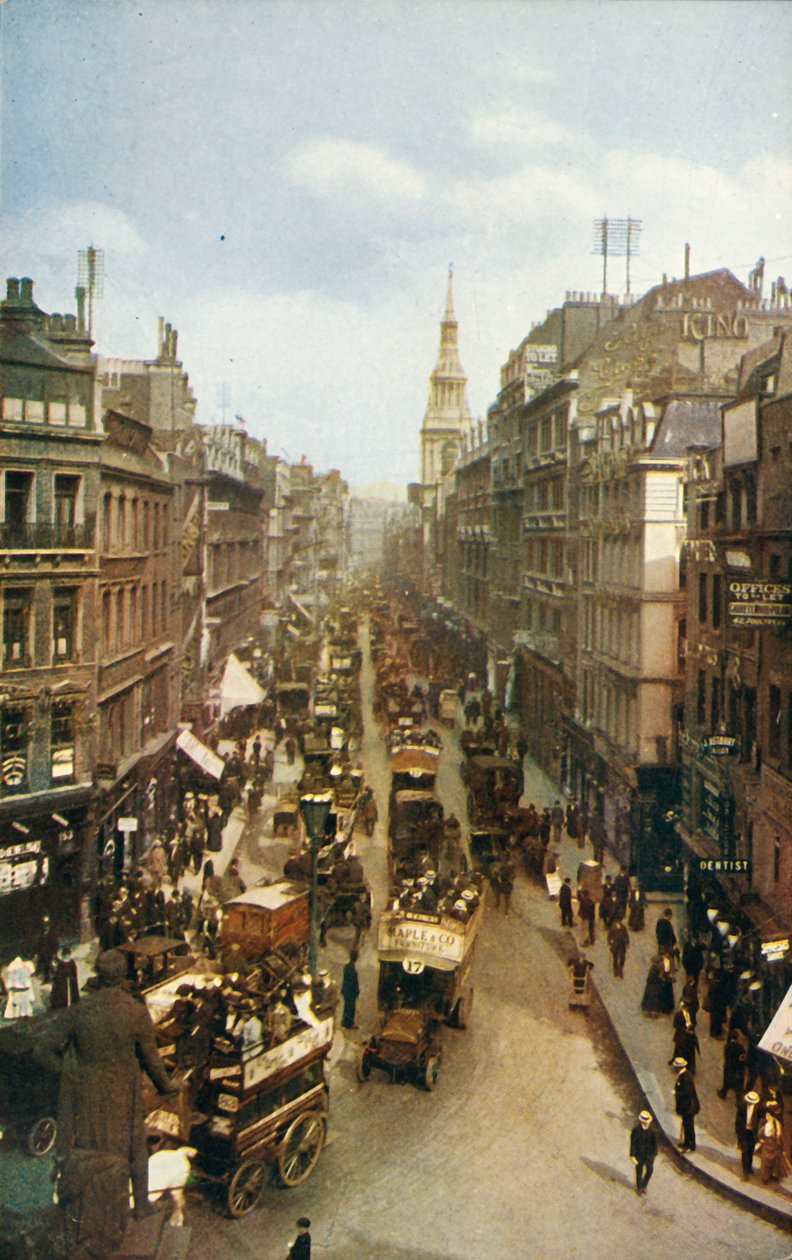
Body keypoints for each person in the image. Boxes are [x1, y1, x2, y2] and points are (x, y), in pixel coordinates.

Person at [36, 949, 178, 1224]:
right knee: (136, 1146)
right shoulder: (135, 1012)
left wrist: (72, 1072)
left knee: (89, 1149)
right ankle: (141, 1205)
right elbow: (152, 1059)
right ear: (123, 975)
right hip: (125, 1093)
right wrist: (167, 1087)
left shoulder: (78, 1010)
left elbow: (42, 1051)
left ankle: (80, 1204)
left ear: (98, 975)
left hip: (85, 1096)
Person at [757, 1100, 791, 1184]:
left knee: (774, 1162)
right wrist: (761, 1140)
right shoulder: (765, 1121)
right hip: (767, 1145)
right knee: (766, 1162)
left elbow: (780, 1135)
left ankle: (771, 1175)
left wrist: (781, 1145)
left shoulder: (777, 1123)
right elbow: (761, 1132)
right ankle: (765, 1177)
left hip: (775, 1145)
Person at [673, 1057, 700, 1152]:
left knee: (689, 1126)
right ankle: (687, 1142)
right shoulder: (685, 1075)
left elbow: (688, 1093)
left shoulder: (685, 1077)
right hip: (687, 1106)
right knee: (686, 1125)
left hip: (688, 1107)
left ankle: (690, 1145)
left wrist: (676, 1092)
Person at [735, 1090, 763, 1180]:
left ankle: (749, 1167)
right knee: (745, 1151)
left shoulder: (758, 1108)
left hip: (752, 1132)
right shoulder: (742, 1106)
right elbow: (738, 1120)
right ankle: (745, 1172)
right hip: (744, 1131)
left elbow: (761, 1118)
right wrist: (738, 1133)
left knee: (751, 1151)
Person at [629, 1110, 658, 1195]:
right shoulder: (636, 1130)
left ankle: (644, 1186)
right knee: (639, 1171)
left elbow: (654, 1143)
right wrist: (632, 1155)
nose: (647, 1123)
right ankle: (639, 1187)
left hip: (649, 1155)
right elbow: (633, 1143)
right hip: (640, 1154)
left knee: (649, 1170)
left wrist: (654, 1152)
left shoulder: (652, 1131)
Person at [50, 945, 80, 1010]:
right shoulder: (71, 963)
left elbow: (58, 975)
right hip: (68, 983)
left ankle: (63, 1004)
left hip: (63, 983)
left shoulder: (61, 964)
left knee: (62, 993)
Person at [341, 950, 360, 1029]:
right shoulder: (352, 968)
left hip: (346, 991)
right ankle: (349, 1024)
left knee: (347, 1007)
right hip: (350, 992)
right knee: (351, 1008)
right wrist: (356, 991)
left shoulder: (347, 966)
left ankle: (345, 1022)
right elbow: (353, 982)